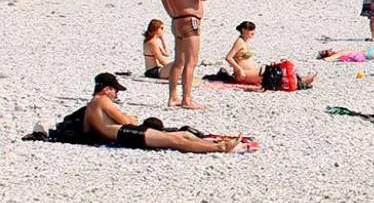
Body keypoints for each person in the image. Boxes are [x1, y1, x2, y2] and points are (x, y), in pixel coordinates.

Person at [60, 72, 241, 152]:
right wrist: (131, 117)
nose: (116, 94)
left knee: (183, 133)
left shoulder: (92, 104)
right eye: (115, 90)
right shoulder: (102, 100)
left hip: (121, 134)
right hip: (124, 134)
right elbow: (125, 121)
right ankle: (219, 147)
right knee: (174, 140)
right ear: (107, 89)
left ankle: (214, 143)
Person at [159, 0, 209, 109]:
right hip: (190, 21)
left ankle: (173, 97)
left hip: (177, 20)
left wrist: (171, 12)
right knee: (191, 61)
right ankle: (187, 99)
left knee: (178, 61)